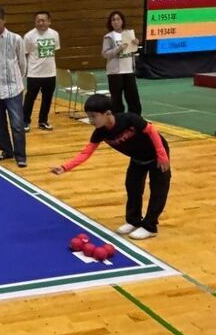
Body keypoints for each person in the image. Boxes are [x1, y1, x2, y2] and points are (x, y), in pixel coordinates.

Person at [51, 94, 170, 240]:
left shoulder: (129, 119)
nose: (91, 120)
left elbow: (151, 130)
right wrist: (64, 167)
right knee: (132, 187)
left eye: (94, 116)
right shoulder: (100, 133)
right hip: (138, 157)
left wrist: (161, 154)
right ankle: (134, 221)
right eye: (89, 116)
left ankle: (150, 226)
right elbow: (86, 153)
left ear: (107, 113)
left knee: (158, 189)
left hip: (157, 155)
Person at [0, 5, 27, 167]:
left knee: (17, 124)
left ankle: (20, 155)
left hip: (14, 89)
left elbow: (22, 64)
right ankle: (6, 151)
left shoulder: (16, 39)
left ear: (4, 20)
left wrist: (15, 80)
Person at [23, 11, 60, 131]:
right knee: (30, 98)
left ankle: (43, 121)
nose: (40, 23)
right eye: (38, 20)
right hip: (34, 73)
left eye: (43, 20)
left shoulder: (54, 34)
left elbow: (55, 51)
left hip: (50, 73)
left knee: (47, 99)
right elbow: (25, 53)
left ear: (49, 21)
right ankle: (25, 121)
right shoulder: (29, 36)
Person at [103, 11, 142, 115]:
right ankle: (118, 120)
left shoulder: (129, 34)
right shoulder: (109, 37)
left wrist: (136, 44)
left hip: (129, 70)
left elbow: (133, 51)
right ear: (110, 23)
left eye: (118, 19)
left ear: (122, 21)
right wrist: (118, 48)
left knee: (133, 97)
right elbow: (105, 54)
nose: (116, 22)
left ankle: (135, 119)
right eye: (113, 20)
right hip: (115, 73)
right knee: (116, 99)